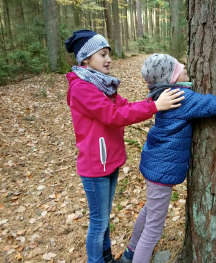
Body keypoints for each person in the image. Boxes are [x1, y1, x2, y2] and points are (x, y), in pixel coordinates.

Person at [118, 54, 216, 263]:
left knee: (149, 211)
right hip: (161, 171)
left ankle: (130, 253)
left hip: (154, 165)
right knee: (154, 229)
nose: (183, 65)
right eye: (177, 67)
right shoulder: (181, 97)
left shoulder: (161, 94)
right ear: (171, 78)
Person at [64, 31, 185, 263]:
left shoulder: (103, 85)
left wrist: (154, 100)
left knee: (104, 219)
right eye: (102, 54)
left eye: (108, 53)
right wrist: (155, 107)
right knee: (98, 223)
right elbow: (113, 116)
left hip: (109, 161)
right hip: (94, 166)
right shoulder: (82, 88)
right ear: (86, 59)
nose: (108, 59)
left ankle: (106, 257)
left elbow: (126, 106)